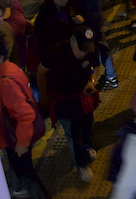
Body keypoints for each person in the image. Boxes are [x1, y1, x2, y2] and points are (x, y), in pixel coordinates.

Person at [0, 31, 51, 199]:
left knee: (27, 175)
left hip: (18, 136)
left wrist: (22, 144)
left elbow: (25, 115)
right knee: (25, 171)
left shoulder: (5, 82)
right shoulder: (9, 68)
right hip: (18, 133)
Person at [39, 26, 101, 182]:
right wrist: (43, 95)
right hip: (63, 100)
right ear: (72, 39)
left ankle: (87, 148)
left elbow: (95, 67)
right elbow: (41, 72)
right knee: (74, 134)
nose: (83, 54)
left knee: (88, 124)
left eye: (85, 50)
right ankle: (81, 165)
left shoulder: (91, 50)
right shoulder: (56, 51)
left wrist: (91, 81)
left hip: (83, 96)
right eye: (80, 49)